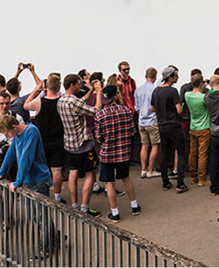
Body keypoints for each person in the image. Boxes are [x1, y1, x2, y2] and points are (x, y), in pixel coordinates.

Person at [0, 114, 57, 259]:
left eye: (7, 133)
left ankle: (45, 248)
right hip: (28, 181)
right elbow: (10, 155)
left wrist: (17, 181)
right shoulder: (16, 137)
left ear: (14, 127)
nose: (7, 136)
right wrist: (0, 173)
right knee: (33, 215)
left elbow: (26, 158)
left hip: (39, 180)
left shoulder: (31, 132)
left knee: (42, 216)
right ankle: (54, 237)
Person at [57, 73, 104, 215]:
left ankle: (75, 205)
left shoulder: (61, 100)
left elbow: (81, 102)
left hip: (69, 144)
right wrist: (98, 93)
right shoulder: (74, 102)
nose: (80, 87)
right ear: (72, 85)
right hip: (83, 144)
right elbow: (96, 110)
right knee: (90, 175)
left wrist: (90, 91)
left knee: (73, 173)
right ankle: (85, 208)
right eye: (78, 84)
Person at [94, 84, 142, 222]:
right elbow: (133, 131)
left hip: (107, 154)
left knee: (110, 184)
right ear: (116, 96)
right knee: (126, 178)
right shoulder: (126, 111)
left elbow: (98, 137)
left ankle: (115, 213)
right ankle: (134, 206)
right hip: (123, 152)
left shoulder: (100, 115)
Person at [25, 68, 68, 203]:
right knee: (57, 170)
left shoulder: (40, 102)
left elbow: (26, 105)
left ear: (47, 86)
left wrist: (36, 90)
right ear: (59, 86)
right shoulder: (62, 101)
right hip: (58, 138)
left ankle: (43, 195)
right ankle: (57, 197)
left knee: (43, 169)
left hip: (42, 140)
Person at [151, 66, 190, 193]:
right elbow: (179, 110)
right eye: (176, 76)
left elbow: (152, 108)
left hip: (162, 126)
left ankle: (165, 182)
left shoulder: (156, 91)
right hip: (174, 125)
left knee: (164, 153)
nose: (177, 78)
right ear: (170, 77)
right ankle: (180, 183)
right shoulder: (173, 91)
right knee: (181, 152)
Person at [183, 69, 212, 186]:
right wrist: (205, 86)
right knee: (202, 154)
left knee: (192, 152)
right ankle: (201, 178)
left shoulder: (187, 95)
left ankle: (193, 176)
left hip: (193, 127)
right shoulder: (204, 97)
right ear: (201, 83)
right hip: (204, 128)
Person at [135, 67, 161, 178]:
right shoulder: (155, 90)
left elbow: (136, 107)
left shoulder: (138, 90)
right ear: (155, 77)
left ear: (145, 76)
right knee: (155, 145)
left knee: (144, 145)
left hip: (141, 120)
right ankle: (150, 170)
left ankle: (143, 169)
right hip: (152, 120)